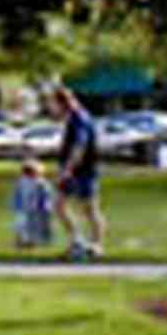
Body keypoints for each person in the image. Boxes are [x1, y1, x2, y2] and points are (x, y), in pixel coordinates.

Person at [52, 86, 107, 260]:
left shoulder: (80, 119)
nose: (53, 109)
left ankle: (97, 246)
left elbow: (79, 148)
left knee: (90, 209)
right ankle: (77, 242)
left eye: (54, 105)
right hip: (73, 171)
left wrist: (67, 170)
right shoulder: (73, 119)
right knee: (60, 206)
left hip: (83, 172)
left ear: (62, 103)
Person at [10, 158, 55, 250]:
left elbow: (46, 196)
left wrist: (45, 206)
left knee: (36, 226)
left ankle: (33, 242)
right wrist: (16, 205)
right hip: (24, 208)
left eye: (31, 172)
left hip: (38, 209)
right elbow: (17, 195)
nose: (29, 174)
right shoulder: (21, 182)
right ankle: (20, 242)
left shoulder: (41, 183)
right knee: (21, 225)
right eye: (27, 172)